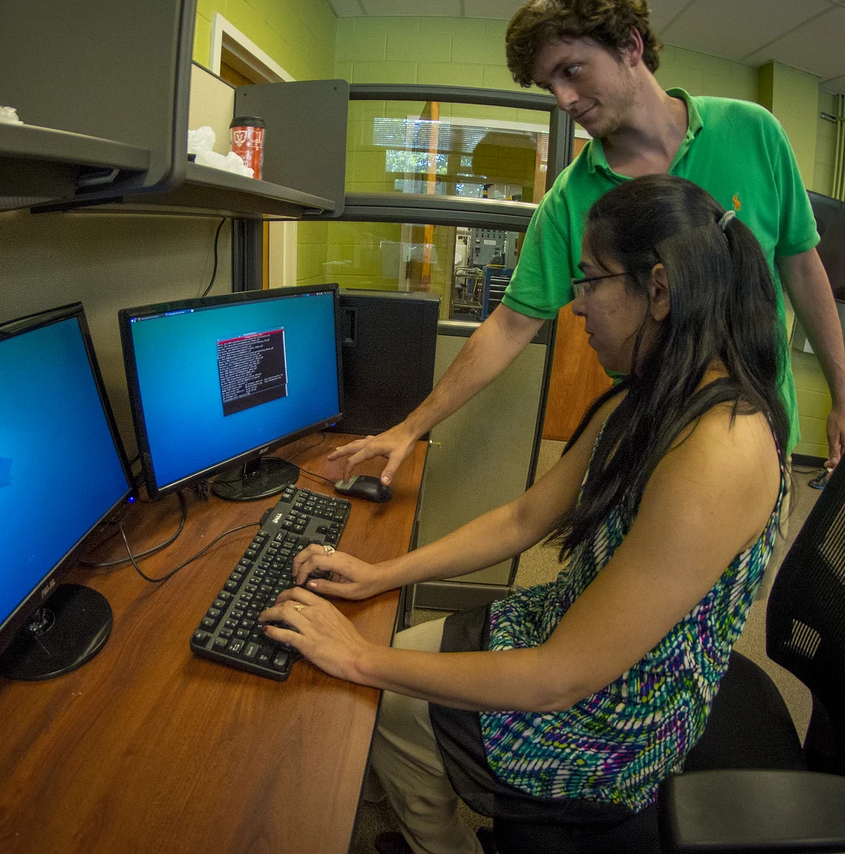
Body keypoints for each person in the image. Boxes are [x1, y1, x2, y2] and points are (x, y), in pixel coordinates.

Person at [263, 175, 789, 854]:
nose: (576, 305)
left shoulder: (719, 451)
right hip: (561, 629)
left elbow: (559, 679)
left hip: (613, 726)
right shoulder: (650, 395)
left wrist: (361, 657)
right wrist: (378, 574)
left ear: (658, 290)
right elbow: (522, 520)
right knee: (378, 678)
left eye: (590, 280)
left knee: (381, 697)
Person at [329, 0, 845, 492]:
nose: (563, 99)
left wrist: (843, 395)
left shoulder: (753, 132)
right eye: (549, 85)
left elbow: (802, 267)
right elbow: (509, 326)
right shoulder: (570, 199)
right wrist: (411, 427)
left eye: (572, 70)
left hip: (762, 435)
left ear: (630, 45)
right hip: (655, 446)